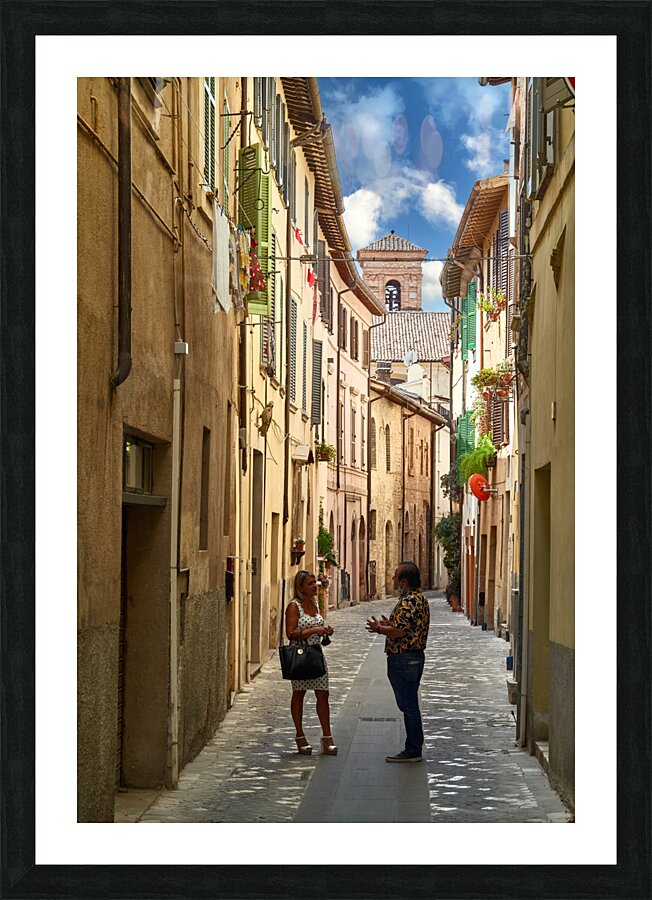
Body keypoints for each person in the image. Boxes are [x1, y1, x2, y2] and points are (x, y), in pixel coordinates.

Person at [366, 561, 430, 762]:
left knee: (409, 704)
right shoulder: (419, 599)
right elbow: (408, 627)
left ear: (404, 581)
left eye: (395, 577)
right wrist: (389, 624)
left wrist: (379, 628)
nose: (392, 579)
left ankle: (413, 749)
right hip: (414, 657)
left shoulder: (407, 602)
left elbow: (400, 632)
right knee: (410, 703)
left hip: (404, 658)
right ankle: (414, 746)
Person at [285, 570, 337, 756]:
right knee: (299, 694)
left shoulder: (315, 604)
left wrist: (325, 630)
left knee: (323, 694)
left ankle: (327, 737)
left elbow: (317, 626)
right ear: (300, 588)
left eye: (315, 582)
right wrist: (315, 629)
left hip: (316, 653)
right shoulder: (294, 606)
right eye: (310, 583)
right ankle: (300, 737)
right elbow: (290, 634)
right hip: (300, 655)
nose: (315, 585)